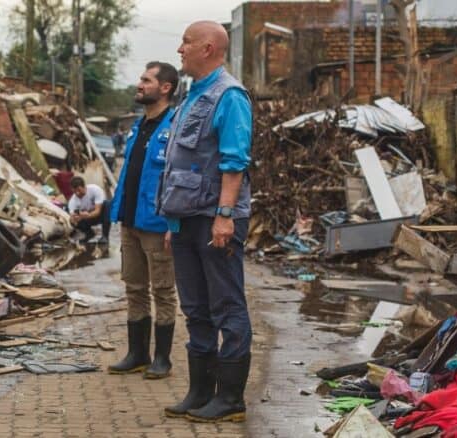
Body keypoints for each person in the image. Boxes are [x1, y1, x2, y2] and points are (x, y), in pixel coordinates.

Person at [157, 21, 254, 423]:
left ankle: (230, 397)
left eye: (187, 42)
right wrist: (172, 223)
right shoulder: (190, 97)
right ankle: (200, 391)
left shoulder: (228, 96)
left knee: (226, 306)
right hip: (186, 219)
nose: (180, 49)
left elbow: (234, 162)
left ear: (209, 47)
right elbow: (180, 166)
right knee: (195, 308)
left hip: (216, 219)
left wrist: (225, 216)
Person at [106, 62, 180, 379]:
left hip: (157, 223)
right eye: (140, 78)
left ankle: (161, 359)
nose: (139, 84)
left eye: (146, 80)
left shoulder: (175, 126)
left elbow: (179, 177)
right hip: (130, 220)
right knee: (134, 288)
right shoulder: (139, 126)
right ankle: (137, 353)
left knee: (163, 291)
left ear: (165, 87)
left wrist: (173, 223)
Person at [68, 176, 110, 244]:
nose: (77, 193)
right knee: (71, 221)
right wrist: (76, 218)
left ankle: (105, 236)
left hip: (99, 215)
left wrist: (88, 215)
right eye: (74, 191)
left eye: (79, 190)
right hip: (87, 218)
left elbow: (98, 211)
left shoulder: (95, 189)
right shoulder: (72, 201)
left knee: (107, 204)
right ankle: (89, 234)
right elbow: (73, 217)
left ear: (84, 186)